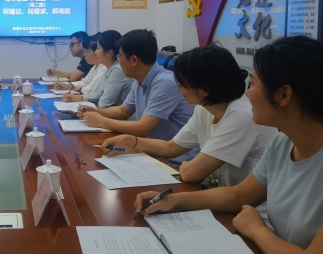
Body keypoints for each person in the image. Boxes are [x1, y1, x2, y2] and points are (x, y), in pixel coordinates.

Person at [135, 36, 323, 254]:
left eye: (252, 84)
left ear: (283, 95)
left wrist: (256, 229)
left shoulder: (245, 118)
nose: (247, 94)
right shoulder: (283, 143)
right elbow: (239, 195)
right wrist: (173, 200)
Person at [102, 44, 276, 192]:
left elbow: (190, 173)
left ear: (205, 89)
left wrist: (186, 165)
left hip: (247, 209)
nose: (178, 88)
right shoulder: (204, 108)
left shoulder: (241, 116)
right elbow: (171, 147)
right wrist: (131, 141)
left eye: (182, 82)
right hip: (219, 196)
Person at [79, 29, 197, 166]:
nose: (118, 61)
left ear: (134, 60)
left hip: (175, 162)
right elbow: (123, 111)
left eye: (120, 56)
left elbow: (143, 128)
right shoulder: (139, 80)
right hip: (151, 152)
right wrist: (96, 112)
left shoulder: (165, 83)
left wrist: (101, 121)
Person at [63, 30, 132, 108]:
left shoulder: (117, 70)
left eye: (97, 48)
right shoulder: (110, 68)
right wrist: (78, 98)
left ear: (109, 52)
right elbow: (99, 94)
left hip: (121, 115)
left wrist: (91, 109)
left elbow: (104, 104)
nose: (95, 52)